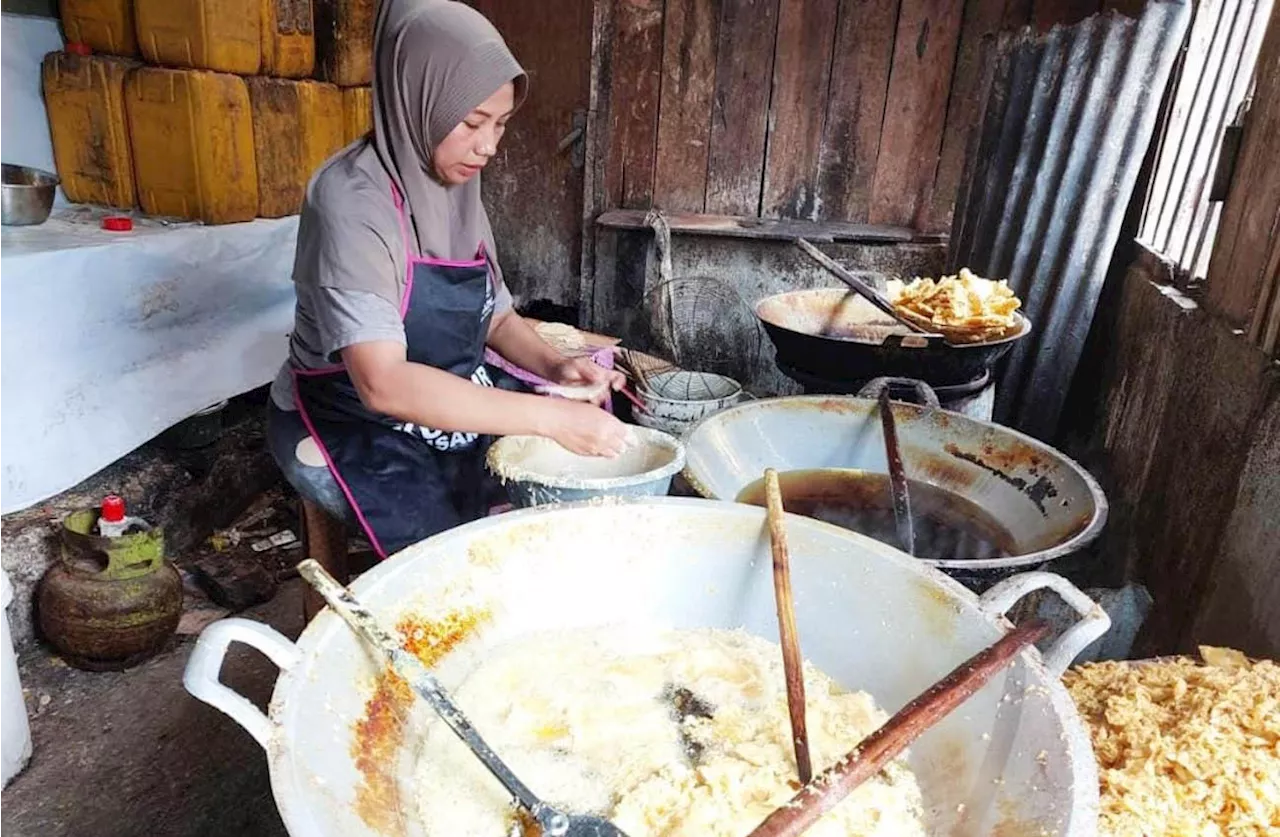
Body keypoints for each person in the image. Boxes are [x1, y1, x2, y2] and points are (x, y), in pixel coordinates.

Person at [266, 0, 630, 560]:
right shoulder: (352, 202)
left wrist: (554, 368)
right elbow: (381, 384)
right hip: (353, 412)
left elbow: (497, 316)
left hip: (448, 388)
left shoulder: (456, 186)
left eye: (501, 124)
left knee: (569, 479)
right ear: (418, 98)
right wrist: (550, 416)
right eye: (471, 123)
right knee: (451, 559)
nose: (488, 147)